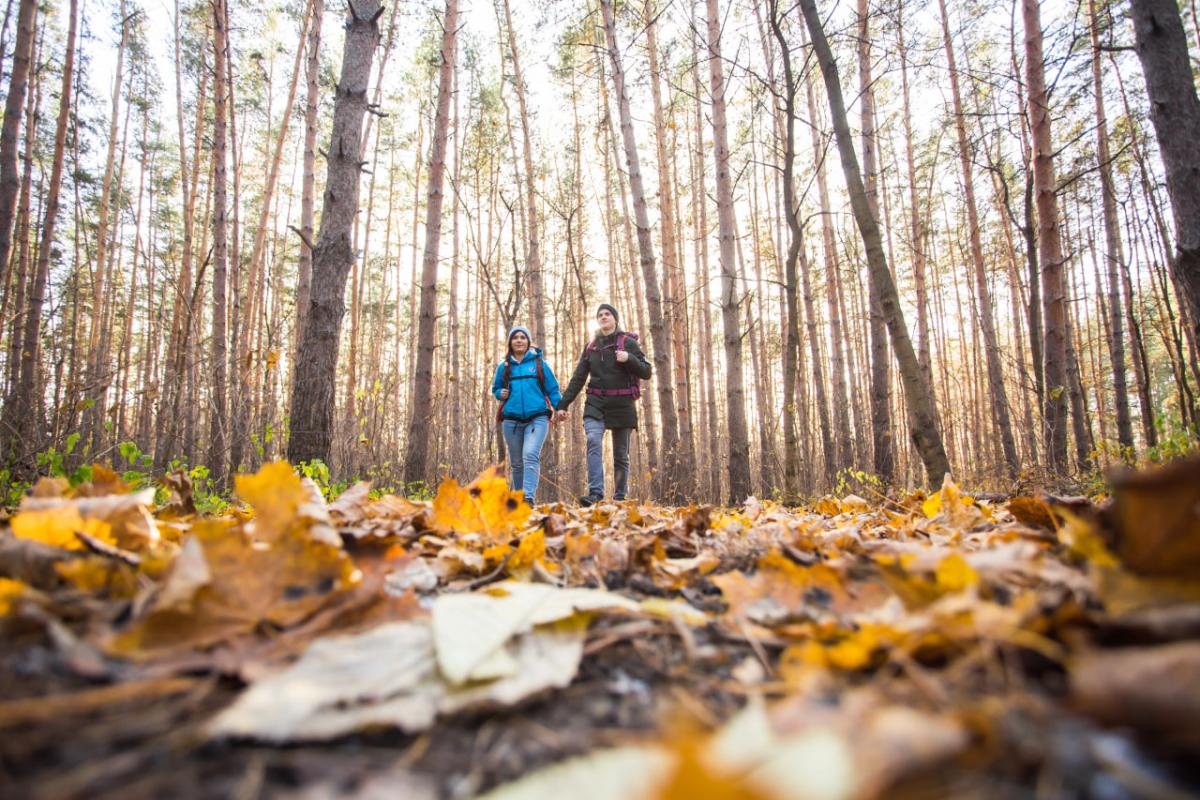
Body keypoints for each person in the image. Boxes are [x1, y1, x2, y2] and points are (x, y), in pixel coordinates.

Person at [555, 303, 652, 505]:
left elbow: (646, 370)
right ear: (597, 320)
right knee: (592, 440)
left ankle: (619, 497)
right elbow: (578, 378)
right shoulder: (591, 346)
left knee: (620, 453)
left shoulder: (628, 343)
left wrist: (629, 358)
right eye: (600, 315)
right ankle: (595, 493)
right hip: (596, 402)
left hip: (623, 403)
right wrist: (563, 405)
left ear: (615, 318)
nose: (604, 317)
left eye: (608, 314)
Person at [491, 326, 562, 506]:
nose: (519, 340)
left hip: (537, 417)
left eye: (523, 337)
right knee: (516, 463)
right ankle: (517, 501)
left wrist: (560, 407)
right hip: (511, 420)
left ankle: (528, 498)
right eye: (516, 337)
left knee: (530, 454)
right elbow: (496, 389)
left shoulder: (539, 364)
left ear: (528, 341)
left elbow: (553, 389)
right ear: (510, 342)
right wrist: (501, 393)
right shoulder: (504, 366)